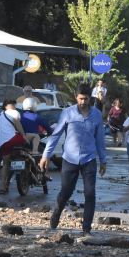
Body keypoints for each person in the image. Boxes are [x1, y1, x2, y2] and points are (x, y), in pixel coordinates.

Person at [40, 83, 107, 237]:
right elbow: (56, 135)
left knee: (90, 194)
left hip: (89, 159)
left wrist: (103, 160)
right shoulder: (67, 113)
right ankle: (57, 211)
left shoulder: (96, 114)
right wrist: (46, 155)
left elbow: (100, 139)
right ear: (76, 97)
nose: (83, 102)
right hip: (69, 159)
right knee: (66, 192)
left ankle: (86, 229)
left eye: (86, 99)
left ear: (90, 98)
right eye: (81, 98)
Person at [0, 99, 27, 194]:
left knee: (5, 164)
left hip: (3, 142)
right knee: (34, 136)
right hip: (14, 139)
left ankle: (3, 186)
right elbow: (17, 123)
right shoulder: (15, 112)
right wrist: (24, 136)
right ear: (14, 106)